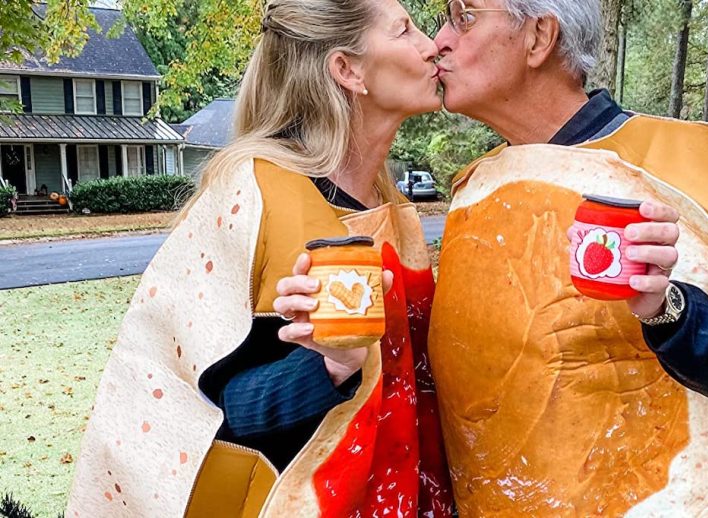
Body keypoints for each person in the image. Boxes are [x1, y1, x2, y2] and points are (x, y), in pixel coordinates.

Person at [427, 0, 708, 516]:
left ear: (540, 37)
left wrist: (668, 307)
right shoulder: (475, 188)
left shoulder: (687, 164)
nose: (439, 40)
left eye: (464, 16)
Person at [66, 0, 453, 516]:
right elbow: (220, 408)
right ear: (347, 69)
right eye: (405, 30)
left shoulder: (389, 205)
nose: (431, 45)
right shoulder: (253, 193)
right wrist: (330, 365)